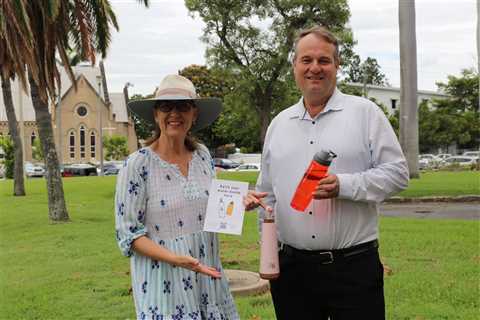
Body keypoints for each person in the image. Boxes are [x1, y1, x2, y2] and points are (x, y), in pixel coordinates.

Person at [245, 26, 409, 319]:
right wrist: (269, 254)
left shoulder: (365, 113)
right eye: (306, 60)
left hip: (353, 267)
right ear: (294, 66)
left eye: (324, 60)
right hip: (292, 271)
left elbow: (397, 173)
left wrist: (344, 185)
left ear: (337, 66)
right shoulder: (279, 125)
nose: (314, 68)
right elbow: (268, 195)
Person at [115, 74, 239, 320]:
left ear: (194, 114)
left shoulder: (203, 156)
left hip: (209, 280)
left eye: (183, 106)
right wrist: (176, 259)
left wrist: (239, 204)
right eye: (166, 106)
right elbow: (129, 235)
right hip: (164, 284)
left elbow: (214, 211)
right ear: (155, 114)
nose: (174, 113)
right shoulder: (137, 165)